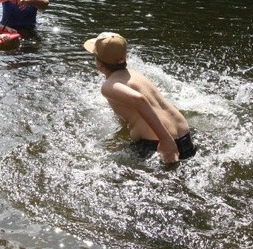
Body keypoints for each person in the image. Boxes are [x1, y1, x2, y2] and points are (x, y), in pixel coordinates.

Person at [83, 32, 196, 163]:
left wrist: (166, 140)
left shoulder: (109, 86)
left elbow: (139, 99)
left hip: (158, 143)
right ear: (125, 57)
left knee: (101, 157)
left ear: (99, 64)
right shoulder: (136, 75)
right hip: (184, 135)